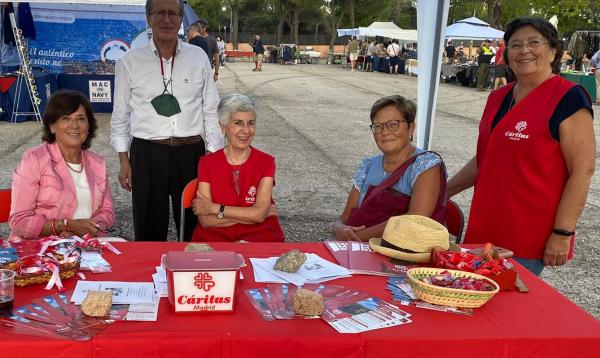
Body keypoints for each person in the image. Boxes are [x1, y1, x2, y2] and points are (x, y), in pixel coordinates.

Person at [447, 17, 596, 276]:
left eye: (534, 42)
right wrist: (442, 191)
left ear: (552, 51)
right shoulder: (498, 97)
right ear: (507, 54)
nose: (524, 50)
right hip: (485, 227)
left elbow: (582, 171)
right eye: (515, 45)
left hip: (528, 235)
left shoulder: (568, 97)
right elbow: (486, 158)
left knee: (509, 306)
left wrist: (563, 232)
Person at [111, 0, 223, 242]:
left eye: (173, 13)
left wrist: (214, 158)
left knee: (196, 225)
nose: (167, 19)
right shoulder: (129, 62)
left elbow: (210, 110)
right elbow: (120, 116)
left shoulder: (198, 57)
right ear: (148, 18)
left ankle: (193, 275)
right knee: (149, 227)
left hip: (191, 152)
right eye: (159, 13)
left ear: (181, 19)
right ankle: (150, 276)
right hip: (147, 152)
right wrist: (123, 160)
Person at [332, 95, 447, 242]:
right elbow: (345, 217)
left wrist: (356, 238)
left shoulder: (426, 165)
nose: (384, 132)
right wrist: (338, 227)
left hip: (402, 254)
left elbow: (415, 219)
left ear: (410, 128)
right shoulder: (368, 165)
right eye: (377, 126)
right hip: (357, 249)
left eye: (393, 124)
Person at [9, 91, 115, 240]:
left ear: (89, 126)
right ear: (52, 126)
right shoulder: (34, 159)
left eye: (81, 118)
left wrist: (92, 226)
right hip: (40, 251)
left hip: (87, 246)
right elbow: (19, 221)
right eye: (66, 118)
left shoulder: (98, 163)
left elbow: (107, 211)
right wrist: (65, 226)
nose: (74, 125)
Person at [191, 94, 285, 242]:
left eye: (251, 123)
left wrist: (215, 209)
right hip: (216, 237)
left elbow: (259, 215)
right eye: (238, 123)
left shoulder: (266, 162)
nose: (246, 131)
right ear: (223, 127)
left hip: (260, 236)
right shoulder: (207, 163)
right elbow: (206, 220)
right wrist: (253, 214)